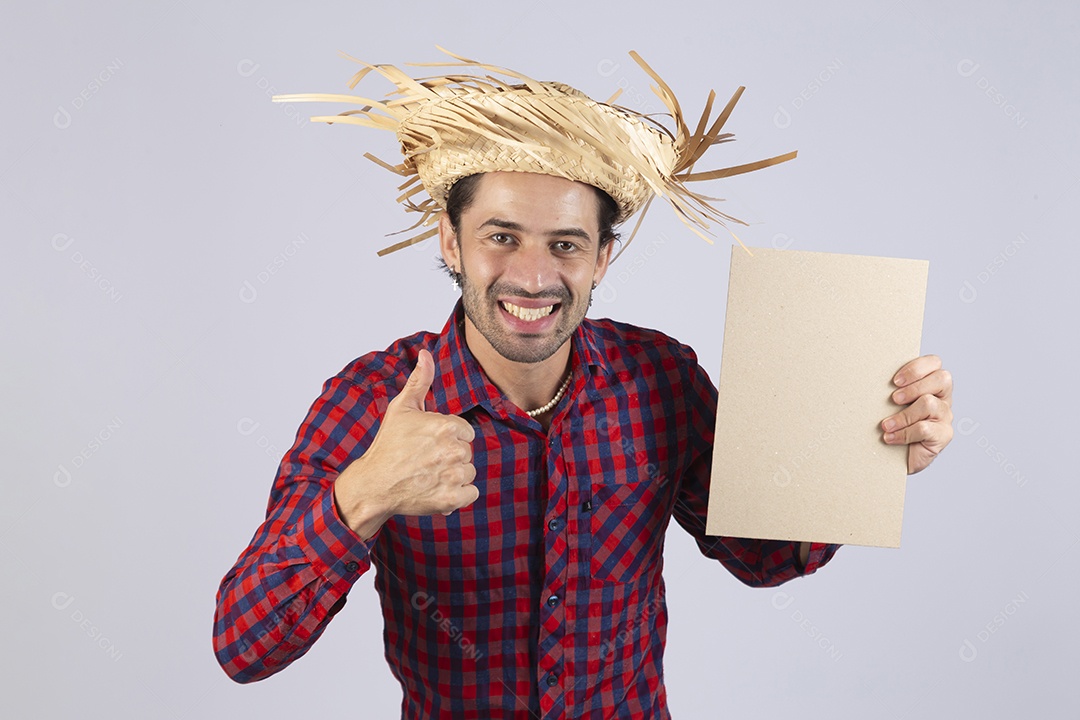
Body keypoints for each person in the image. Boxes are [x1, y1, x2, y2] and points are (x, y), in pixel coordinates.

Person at [213, 49, 954, 718]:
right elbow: (243, 647)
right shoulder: (374, 400)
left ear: (603, 257)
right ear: (451, 241)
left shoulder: (660, 378)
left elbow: (760, 557)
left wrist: (870, 455)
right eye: (501, 236)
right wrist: (365, 494)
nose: (533, 277)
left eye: (565, 244)